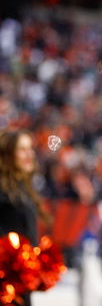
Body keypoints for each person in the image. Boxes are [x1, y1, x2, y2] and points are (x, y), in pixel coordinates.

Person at [0, 130, 49, 306]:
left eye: (30, 148)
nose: (29, 154)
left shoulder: (22, 188)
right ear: (7, 154)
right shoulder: (3, 190)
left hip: (21, 282)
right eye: (22, 149)